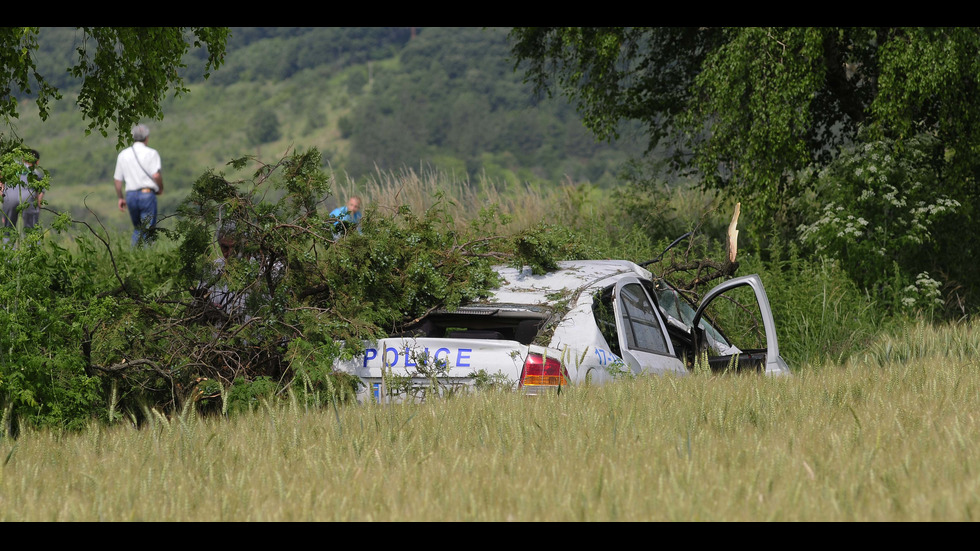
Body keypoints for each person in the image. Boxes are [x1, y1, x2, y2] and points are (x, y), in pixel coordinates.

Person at [113, 124, 164, 246]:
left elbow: (117, 180)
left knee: (137, 229)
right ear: (147, 138)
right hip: (147, 194)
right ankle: (147, 259)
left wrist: (120, 197)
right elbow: (156, 175)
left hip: (130, 195)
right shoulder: (151, 153)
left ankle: (134, 257)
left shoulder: (123, 155)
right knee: (147, 230)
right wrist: (161, 188)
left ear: (133, 137)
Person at [1, 149, 44, 232]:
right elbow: (40, 196)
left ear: (23, 159)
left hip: (10, 196)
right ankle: (31, 244)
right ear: (37, 162)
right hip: (28, 197)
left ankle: (8, 243)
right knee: (31, 230)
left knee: (8, 229)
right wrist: (37, 210)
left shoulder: (13, 167)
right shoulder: (37, 174)